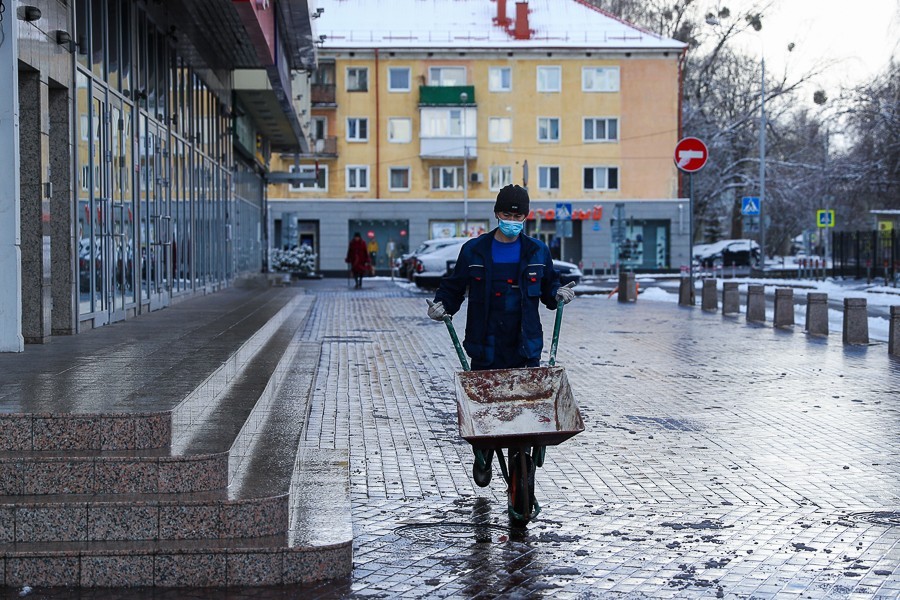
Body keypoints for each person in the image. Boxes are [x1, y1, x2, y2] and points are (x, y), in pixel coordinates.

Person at [426, 184, 576, 486]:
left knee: (525, 409)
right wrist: (443, 305)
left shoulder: (537, 251)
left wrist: (558, 293)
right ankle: (484, 452)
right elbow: (455, 287)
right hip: (486, 343)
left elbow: (549, 288)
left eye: (518, 214)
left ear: (526, 216)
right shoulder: (474, 250)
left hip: (525, 344)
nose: (512, 219)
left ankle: (523, 467)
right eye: (507, 213)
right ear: (497, 213)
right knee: (485, 409)